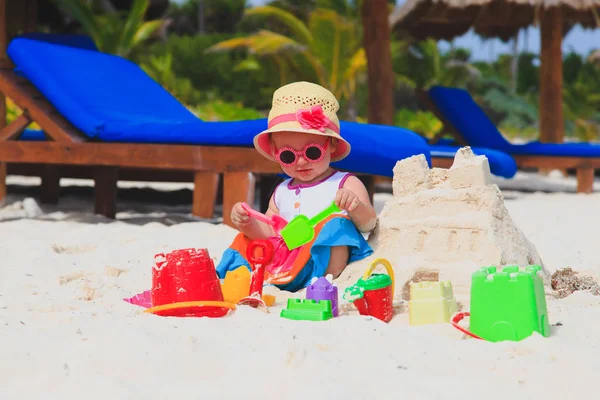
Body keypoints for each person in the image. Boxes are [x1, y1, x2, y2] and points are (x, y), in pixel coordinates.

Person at [217, 81, 375, 291]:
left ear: (332, 145)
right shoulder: (282, 191)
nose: (301, 162)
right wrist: (248, 224)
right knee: (242, 239)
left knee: (337, 225)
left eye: (312, 152)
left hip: (319, 263)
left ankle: (328, 277)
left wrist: (355, 206)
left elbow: (369, 224)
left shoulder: (345, 183)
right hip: (286, 260)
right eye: (288, 155)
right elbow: (271, 232)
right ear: (275, 152)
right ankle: (242, 278)